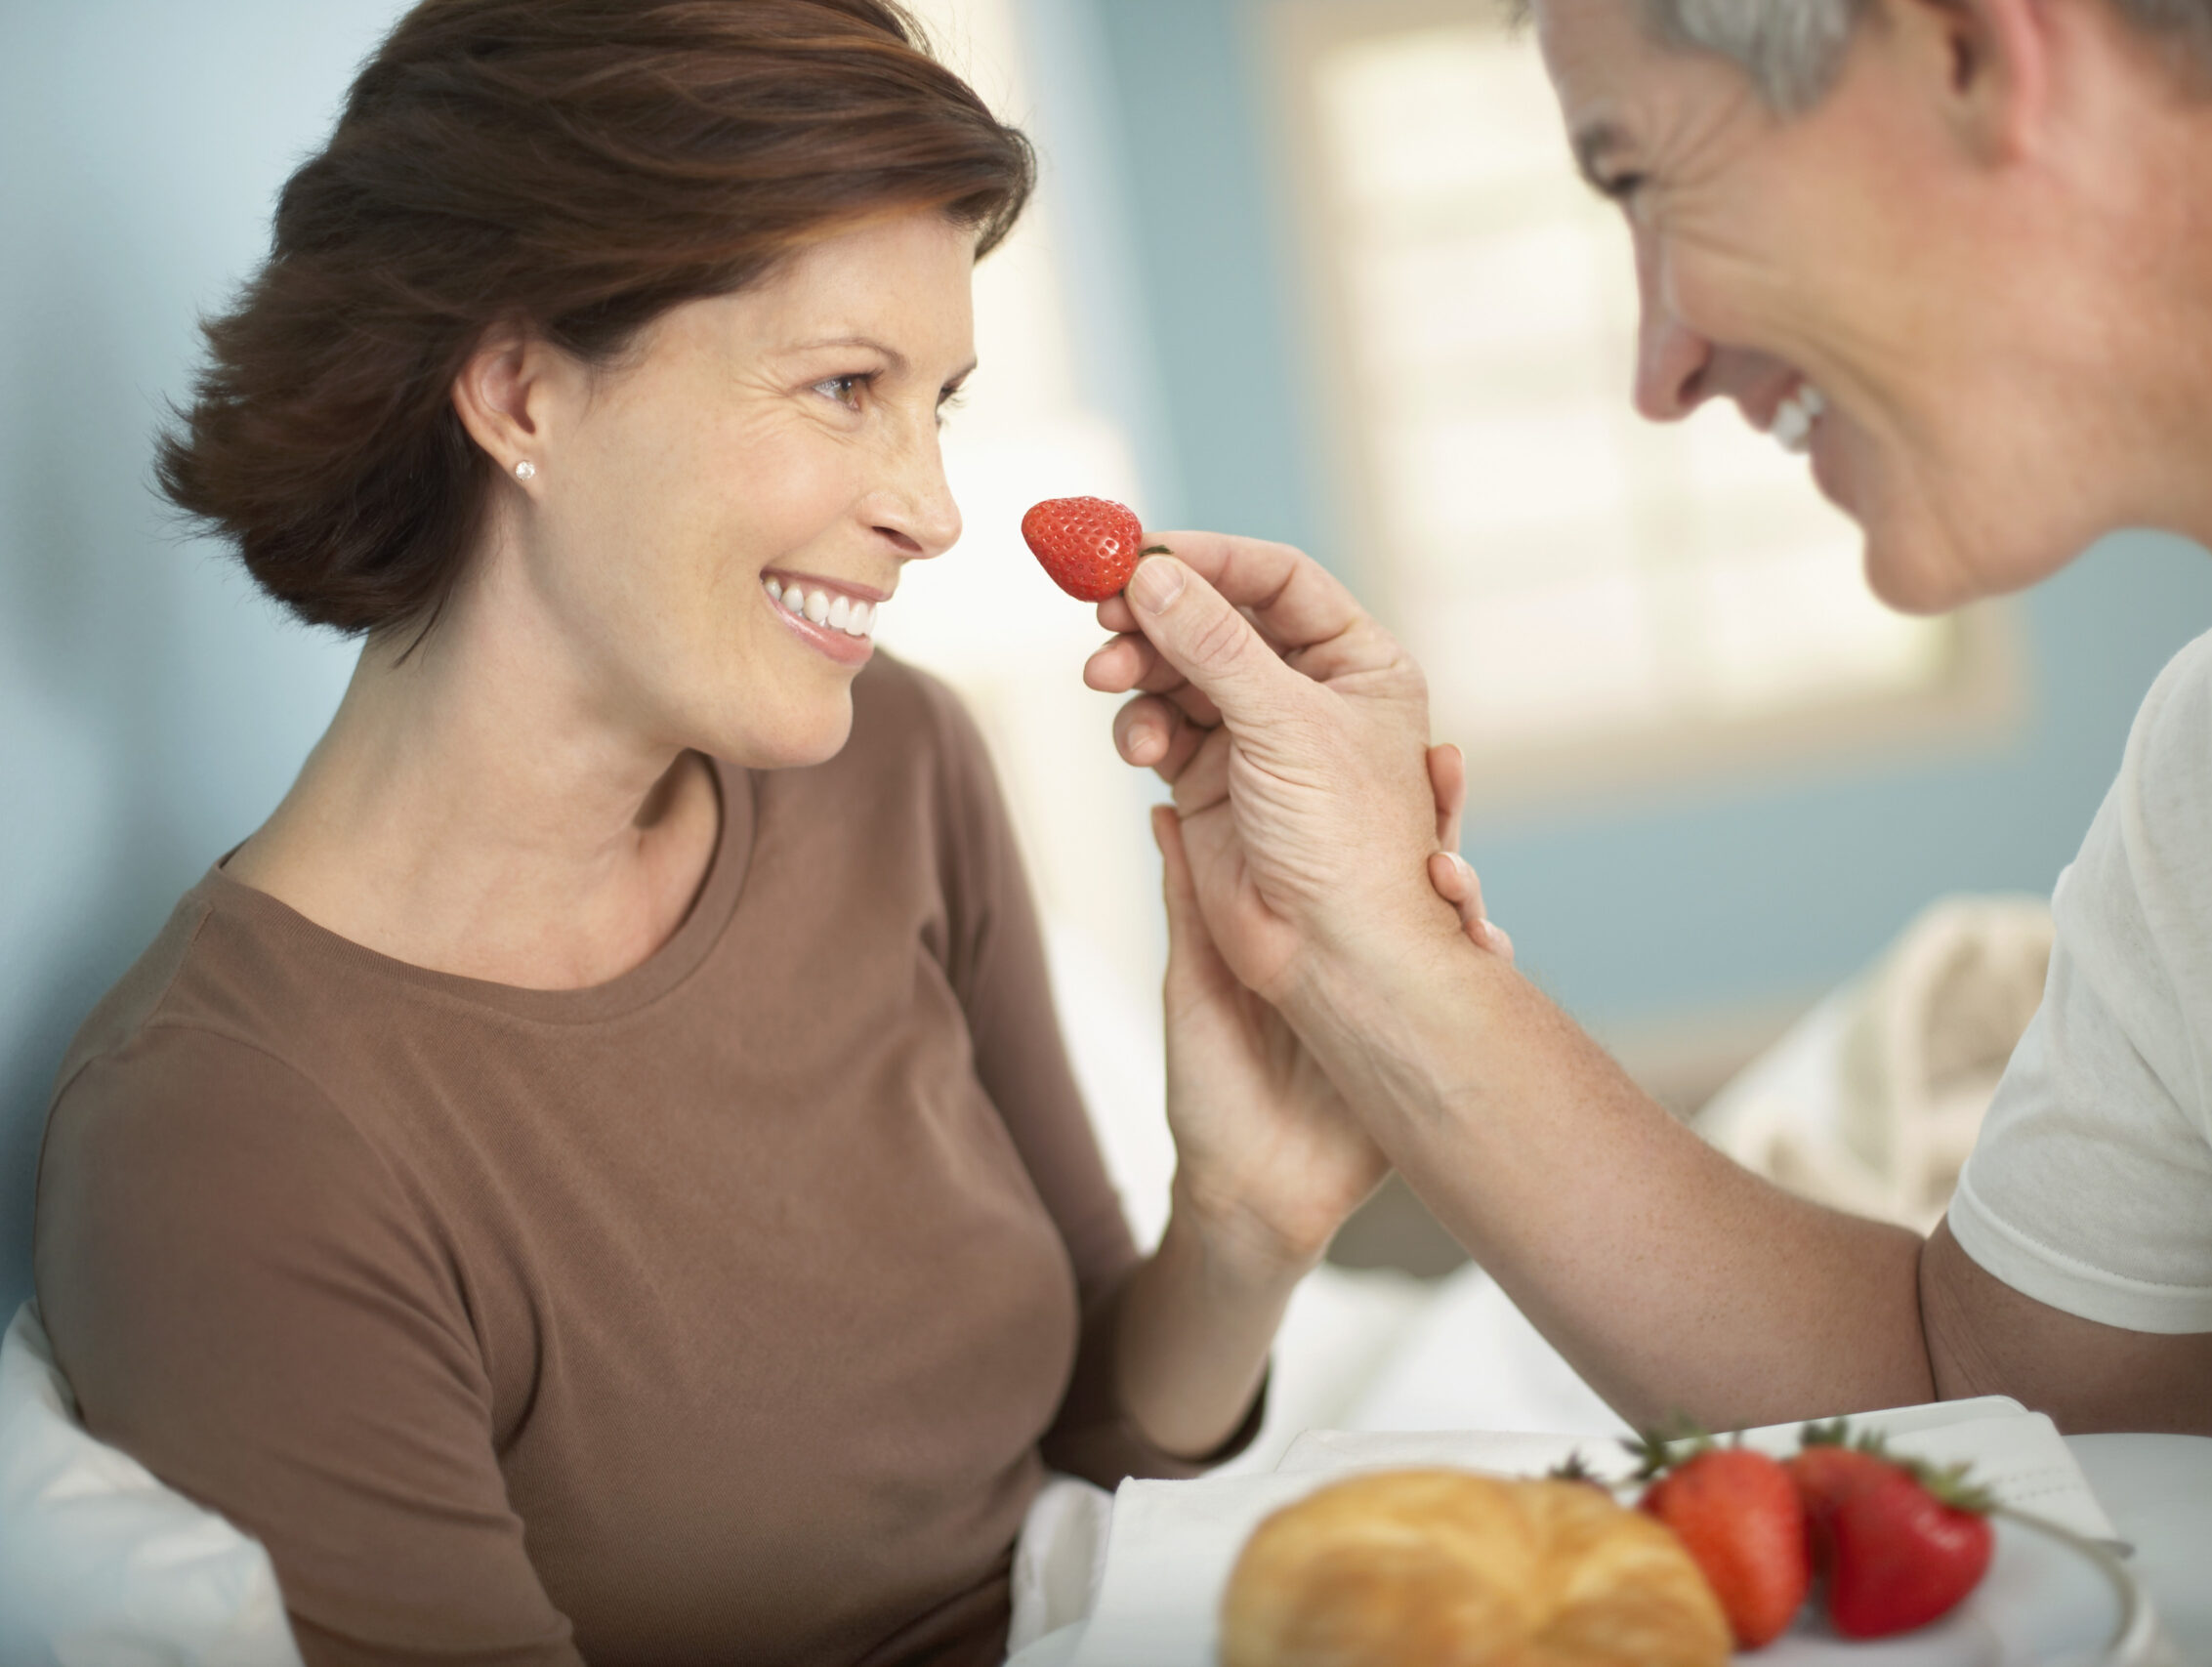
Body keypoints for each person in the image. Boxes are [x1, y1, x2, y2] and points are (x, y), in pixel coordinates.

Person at [31, 3, 1422, 1661]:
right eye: (847, 388)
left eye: (940, 404)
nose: (934, 506)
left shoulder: (894, 762)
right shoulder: (231, 1135)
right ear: (522, 390)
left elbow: (1088, 1455)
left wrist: (1246, 1223)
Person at [1087, 0, 2212, 1438]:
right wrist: (1363, 941)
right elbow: (1971, 1401)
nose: (1664, 372)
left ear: (1962, 50)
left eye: (1643, 177)